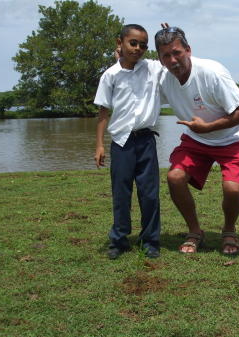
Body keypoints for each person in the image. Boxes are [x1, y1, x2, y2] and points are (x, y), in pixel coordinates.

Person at [155, 26, 239, 255]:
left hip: (234, 137)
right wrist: (121, 60)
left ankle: (229, 230)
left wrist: (208, 127)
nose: (173, 60)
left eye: (177, 52)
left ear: (188, 50)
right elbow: (137, 69)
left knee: (231, 189)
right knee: (175, 177)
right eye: (166, 56)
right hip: (197, 138)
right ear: (159, 60)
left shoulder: (212, 72)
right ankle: (195, 231)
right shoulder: (163, 78)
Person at [94, 24, 163, 259]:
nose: (138, 48)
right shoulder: (110, 75)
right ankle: (119, 239)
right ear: (120, 43)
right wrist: (100, 145)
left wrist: (171, 34)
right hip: (121, 142)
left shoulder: (153, 69)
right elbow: (103, 112)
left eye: (143, 45)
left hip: (145, 140)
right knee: (121, 193)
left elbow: (176, 60)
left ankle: (150, 240)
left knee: (150, 193)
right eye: (133, 43)